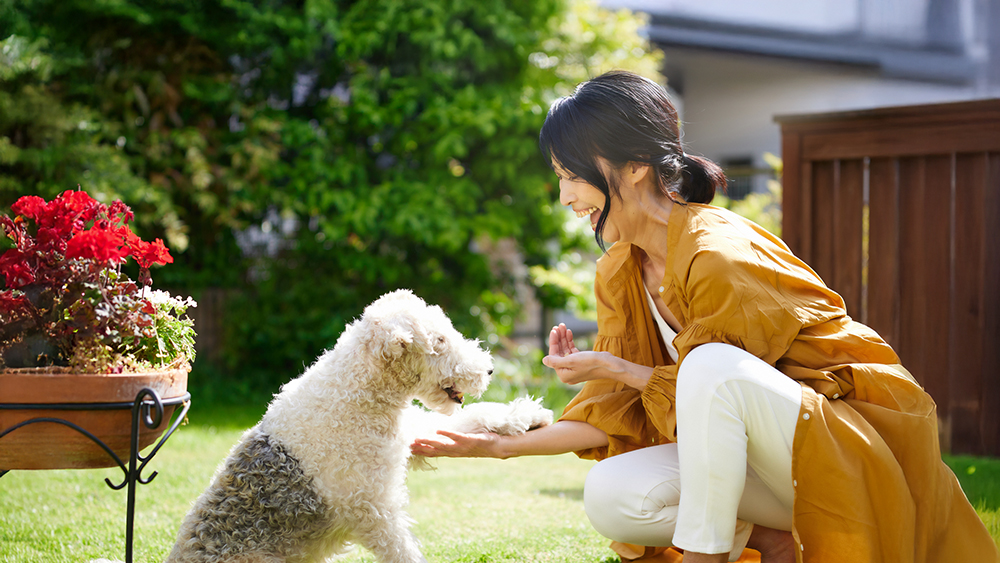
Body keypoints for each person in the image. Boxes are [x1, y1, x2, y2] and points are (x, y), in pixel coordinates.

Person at [410, 70, 1000, 563]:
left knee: (712, 365)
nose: (566, 197)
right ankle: (772, 543)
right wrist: (497, 446)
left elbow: (717, 385)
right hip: (770, 475)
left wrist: (628, 370)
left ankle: (705, 556)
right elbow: (616, 418)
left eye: (571, 176)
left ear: (635, 166)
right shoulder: (620, 269)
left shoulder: (717, 255)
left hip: (846, 456)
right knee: (611, 494)